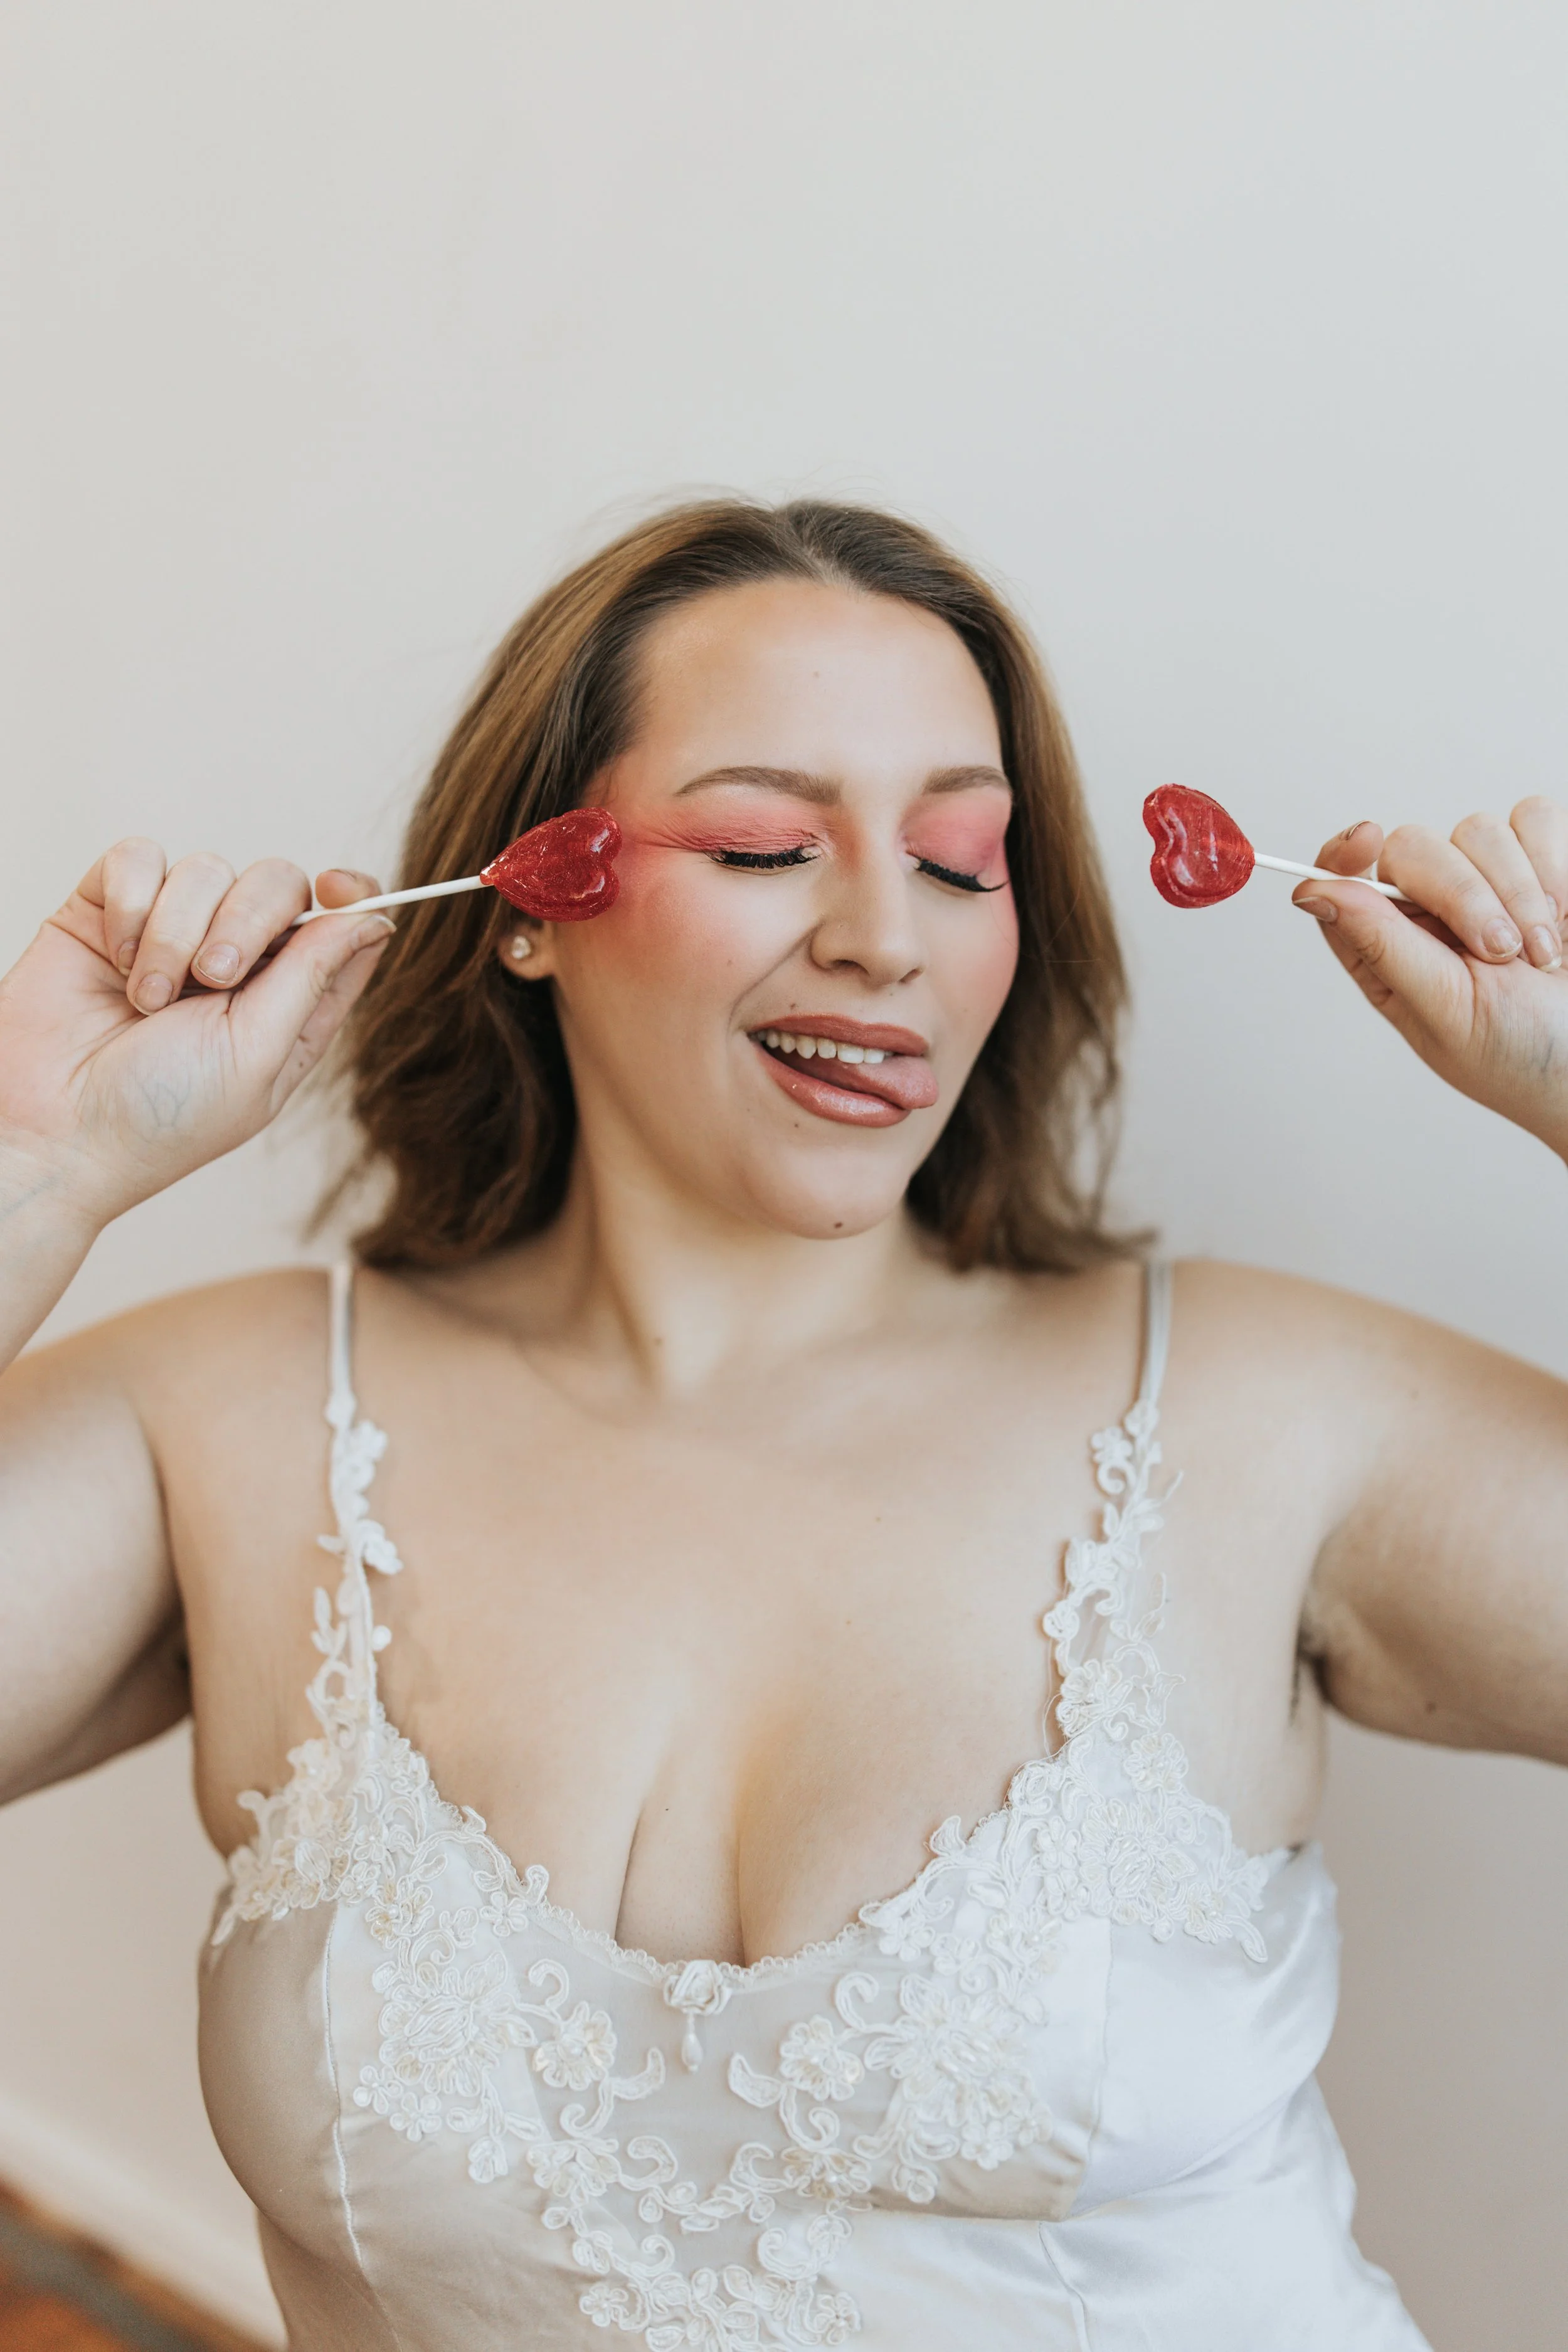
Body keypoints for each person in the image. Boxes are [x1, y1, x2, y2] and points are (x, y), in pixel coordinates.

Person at [2, 499, 1564, 2351]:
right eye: (762, 840)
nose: (884, 937)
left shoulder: (1277, 1410)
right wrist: (41, 1165)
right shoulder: (229, 1414)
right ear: (524, 906)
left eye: (964, 860)